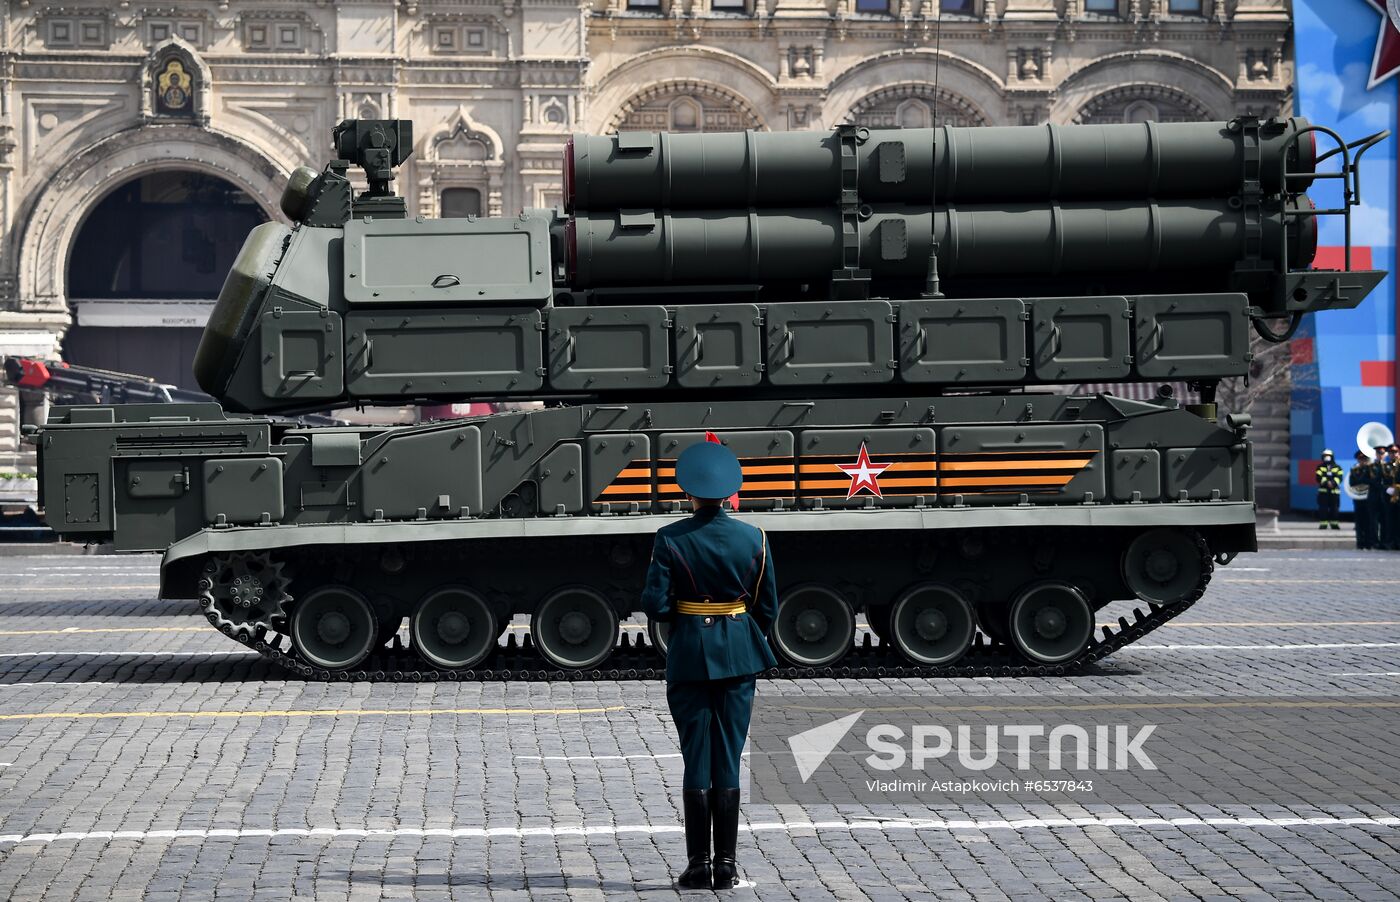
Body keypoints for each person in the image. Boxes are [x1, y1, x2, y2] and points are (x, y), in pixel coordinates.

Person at [641, 441, 778, 891]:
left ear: (690, 493)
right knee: (730, 756)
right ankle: (727, 867)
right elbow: (767, 608)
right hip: (739, 653)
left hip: (689, 657)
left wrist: (690, 612)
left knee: (695, 756)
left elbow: (657, 606)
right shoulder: (754, 538)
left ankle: (699, 864)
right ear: (728, 493)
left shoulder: (671, 537)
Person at [1314, 450, 1344, 530]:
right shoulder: (1320, 467)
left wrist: (1333, 483)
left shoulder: (1337, 467)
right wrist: (1327, 483)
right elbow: (1318, 477)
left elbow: (1340, 477)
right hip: (1323, 492)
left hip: (1335, 492)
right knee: (1323, 508)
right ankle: (1323, 524)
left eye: (1328, 455)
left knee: (1334, 508)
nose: (1326, 457)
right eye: (1325, 455)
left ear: (1332, 456)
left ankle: (1334, 524)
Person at [1351, 451, 1374, 550]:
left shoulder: (1371, 469)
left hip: (1368, 498)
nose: (1362, 461)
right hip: (1358, 497)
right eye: (1360, 459)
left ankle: (1368, 543)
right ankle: (1360, 543)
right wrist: (1362, 480)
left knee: (1368, 521)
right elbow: (1352, 482)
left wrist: (1362, 479)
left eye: (1364, 459)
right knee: (1359, 522)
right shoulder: (1354, 470)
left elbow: (1372, 481)